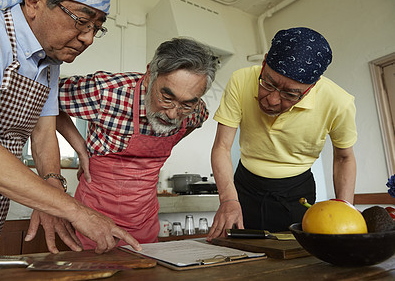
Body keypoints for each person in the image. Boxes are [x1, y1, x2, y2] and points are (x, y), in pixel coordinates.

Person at [0, 0, 141, 261]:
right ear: (35, 0)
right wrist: (74, 210)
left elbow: (44, 134)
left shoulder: (49, 62)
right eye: (82, 21)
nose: (88, 38)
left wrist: (51, 187)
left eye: (97, 28)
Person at [57, 37, 218, 248]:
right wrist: (80, 147)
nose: (172, 113)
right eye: (166, 98)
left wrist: (168, 141)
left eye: (185, 105)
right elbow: (47, 97)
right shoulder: (107, 93)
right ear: (150, 73)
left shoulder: (195, 110)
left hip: (144, 224)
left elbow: (197, 119)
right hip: (92, 221)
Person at [206, 27, 357, 239]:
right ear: (265, 61)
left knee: (296, 261)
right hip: (244, 187)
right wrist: (228, 200)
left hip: (297, 192)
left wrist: (345, 212)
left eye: (290, 94)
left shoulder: (339, 103)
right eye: (268, 83)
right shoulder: (240, 80)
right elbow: (222, 146)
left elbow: (344, 158)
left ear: (311, 87)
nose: (272, 99)